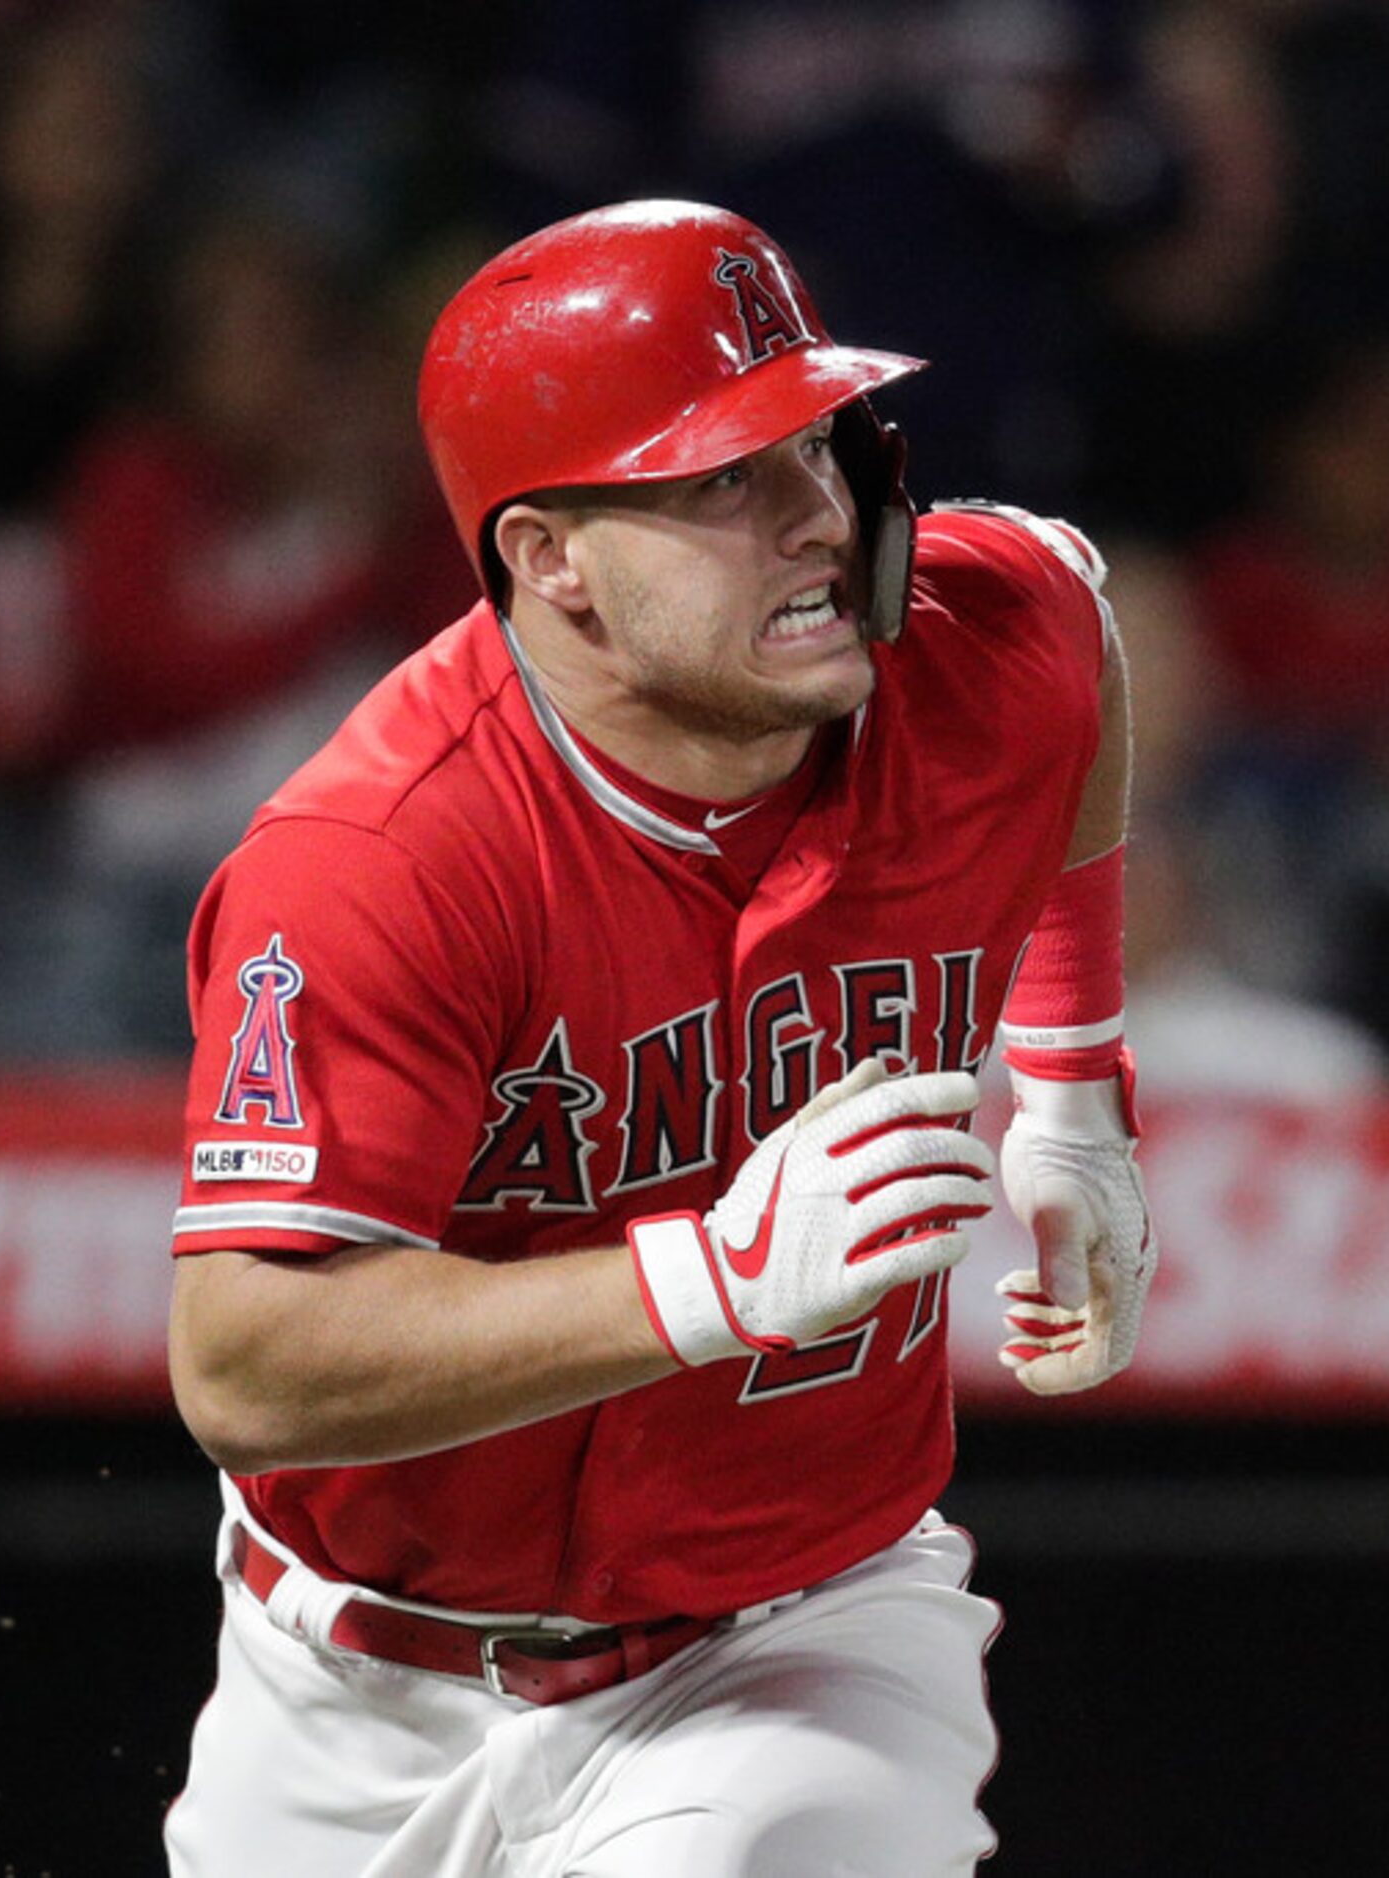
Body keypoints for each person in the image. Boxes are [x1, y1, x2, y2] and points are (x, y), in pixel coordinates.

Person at [160, 200, 1158, 1875]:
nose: (819, 518)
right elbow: (242, 1359)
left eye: (819, 445)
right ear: (552, 558)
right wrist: (710, 1281)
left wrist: (1074, 1084)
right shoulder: (382, 858)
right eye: (722, 481)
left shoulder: (973, 657)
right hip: (352, 1690)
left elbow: (1075, 616)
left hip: (798, 1643)